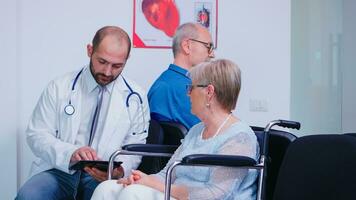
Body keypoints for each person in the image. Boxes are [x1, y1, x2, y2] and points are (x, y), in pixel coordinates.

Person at [91, 59, 260, 200]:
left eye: (191, 88)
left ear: (209, 92)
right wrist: (140, 178)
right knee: (107, 189)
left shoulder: (239, 137)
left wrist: (154, 185)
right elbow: (167, 175)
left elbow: (215, 194)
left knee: (134, 194)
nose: (188, 94)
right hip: (176, 195)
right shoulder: (196, 131)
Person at [16, 26, 150, 200]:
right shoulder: (59, 87)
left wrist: (120, 170)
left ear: (127, 59)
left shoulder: (136, 97)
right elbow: (36, 135)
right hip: (59, 170)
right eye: (102, 62)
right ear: (90, 50)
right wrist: (71, 153)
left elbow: (135, 147)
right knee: (30, 195)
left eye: (117, 65)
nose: (108, 72)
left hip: (103, 177)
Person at [148, 22, 215, 130]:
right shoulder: (184, 89)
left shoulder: (165, 83)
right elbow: (212, 133)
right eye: (208, 46)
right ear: (187, 46)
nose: (212, 54)